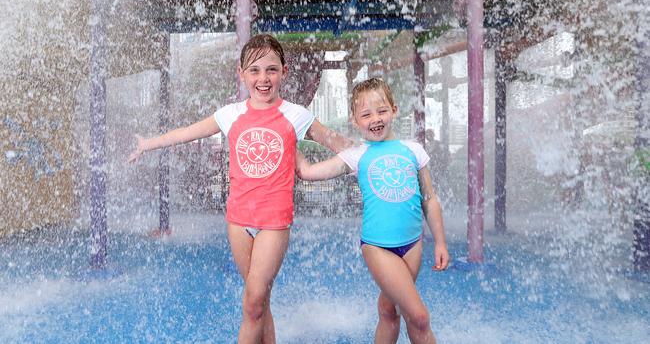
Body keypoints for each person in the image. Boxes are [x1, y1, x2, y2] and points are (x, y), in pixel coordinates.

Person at [128, 34, 352, 344]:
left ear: (284, 72)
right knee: (259, 303)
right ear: (242, 73)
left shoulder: (296, 115)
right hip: (237, 221)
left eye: (271, 70)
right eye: (255, 70)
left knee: (253, 301)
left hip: (274, 223)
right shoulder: (230, 114)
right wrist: (149, 143)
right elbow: (187, 133)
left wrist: (375, 151)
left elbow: (339, 143)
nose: (263, 78)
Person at [296, 78, 449, 344]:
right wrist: (289, 142)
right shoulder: (357, 154)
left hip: (413, 245)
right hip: (378, 247)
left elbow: (429, 199)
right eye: (366, 114)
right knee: (420, 317)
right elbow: (308, 172)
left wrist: (441, 242)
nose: (375, 119)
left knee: (389, 311)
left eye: (381, 111)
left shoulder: (413, 150)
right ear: (355, 121)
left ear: (394, 110)